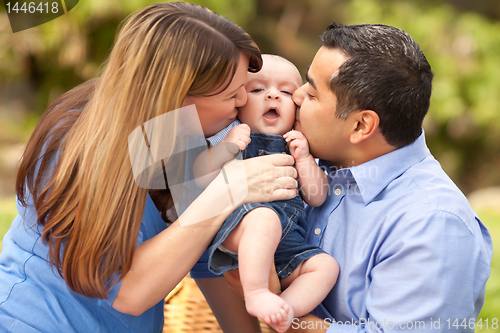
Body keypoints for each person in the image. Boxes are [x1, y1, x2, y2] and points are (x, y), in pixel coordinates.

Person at [0, 3, 299, 332]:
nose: (244, 101)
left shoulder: (185, 136)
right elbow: (128, 292)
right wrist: (228, 190)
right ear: (176, 97)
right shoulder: (74, 143)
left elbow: (201, 254)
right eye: (231, 94)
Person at [285, 23, 493, 332]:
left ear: (360, 126)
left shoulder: (432, 223)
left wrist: (278, 312)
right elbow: (191, 173)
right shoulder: (307, 159)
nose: (297, 95)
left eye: (313, 93)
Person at [192, 54, 339, 332]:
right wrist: (226, 149)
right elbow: (199, 176)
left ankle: (286, 310)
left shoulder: (299, 143)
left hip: (289, 245)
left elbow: (317, 196)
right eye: (258, 90)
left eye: (285, 92)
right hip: (241, 227)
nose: (272, 95)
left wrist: (305, 159)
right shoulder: (231, 133)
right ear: (237, 104)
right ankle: (258, 293)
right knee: (264, 219)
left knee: (326, 266)